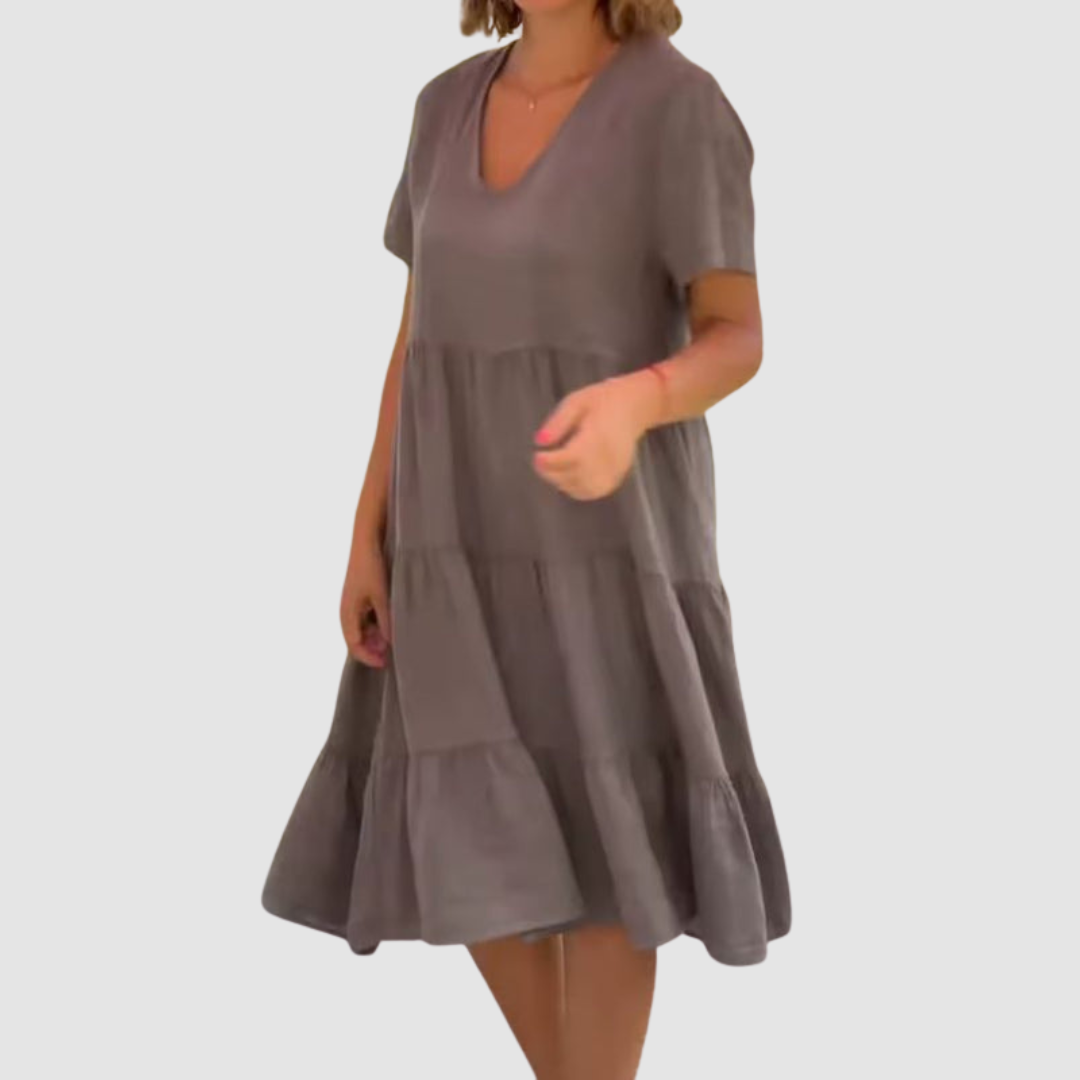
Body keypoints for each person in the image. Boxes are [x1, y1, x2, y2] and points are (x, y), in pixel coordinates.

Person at [262, 1, 792, 1076]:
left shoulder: (680, 108)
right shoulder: (442, 109)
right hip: (449, 543)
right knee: (459, 832)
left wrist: (639, 401)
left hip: (610, 545)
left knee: (606, 858)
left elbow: (738, 335)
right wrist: (367, 527)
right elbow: (418, 337)